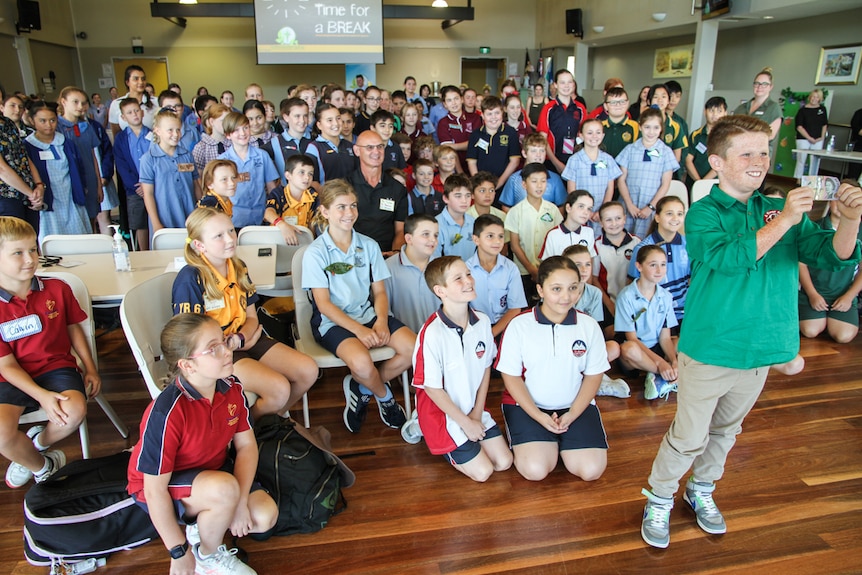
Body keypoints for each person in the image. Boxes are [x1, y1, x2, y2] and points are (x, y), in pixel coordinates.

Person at [639, 115, 862, 549]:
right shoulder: (703, 213)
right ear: (718, 163)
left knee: (726, 432)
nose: (759, 160)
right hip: (710, 347)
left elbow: (832, 256)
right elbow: (731, 258)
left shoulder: (778, 208)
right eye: (747, 153)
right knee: (688, 437)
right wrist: (786, 220)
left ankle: (700, 490)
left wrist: (850, 219)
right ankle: (659, 498)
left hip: (760, 349)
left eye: (764, 151)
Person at [127, 314, 276, 575]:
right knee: (225, 489)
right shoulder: (166, 412)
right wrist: (177, 550)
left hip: (212, 473)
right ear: (188, 366)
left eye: (224, 341)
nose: (226, 351)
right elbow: (153, 492)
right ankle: (207, 555)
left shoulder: (232, 387)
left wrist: (240, 502)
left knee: (264, 517)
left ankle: (206, 520)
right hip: (163, 484)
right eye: (213, 349)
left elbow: (246, 447)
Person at [173, 208, 318, 418]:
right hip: (216, 353)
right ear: (199, 245)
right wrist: (231, 345)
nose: (230, 239)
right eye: (219, 236)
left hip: (244, 340)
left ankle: (266, 425)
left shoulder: (238, 267)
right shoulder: (191, 278)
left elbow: (252, 317)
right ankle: (246, 432)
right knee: (279, 389)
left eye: (231, 231)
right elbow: (189, 341)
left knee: (308, 371)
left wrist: (242, 338)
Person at [301, 180, 415, 433]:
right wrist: (360, 331)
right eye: (341, 207)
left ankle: (361, 388)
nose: (349, 213)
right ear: (325, 212)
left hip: (368, 315)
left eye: (352, 206)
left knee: (413, 349)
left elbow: (380, 292)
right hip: (332, 321)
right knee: (363, 364)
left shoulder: (369, 245)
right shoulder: (316, 253)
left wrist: (381, 321)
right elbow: (323, 304)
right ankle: (385, 398)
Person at [0, 217, 98, 489]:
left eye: (32, 249)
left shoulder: (57, 288)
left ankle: (36, 444)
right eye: (17, 253)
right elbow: (6, 366)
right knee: (1, 435)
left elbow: (74, 329)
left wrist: (90, 368)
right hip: (11, 378)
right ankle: (43, 466)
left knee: (74, 411)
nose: (30, 259)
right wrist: (42, 396)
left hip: (56, 368)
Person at [496, 256, 610, 482]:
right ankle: (546, 445)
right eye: (556, 289)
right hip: (528, 407)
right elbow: (511, 377)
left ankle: (559, 442)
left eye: (573, 288)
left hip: (574, 407)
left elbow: (593, 375)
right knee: (535, 470)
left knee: (591, 471)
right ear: (540, 290)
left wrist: (573, 414)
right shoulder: (520, 325)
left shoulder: (588, 326)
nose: (566, 297)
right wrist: (538, 416)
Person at [411, 256, 513, 480]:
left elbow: (486, 367)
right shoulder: (432, 333)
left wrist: (477, 412)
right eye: (458, 278)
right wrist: (466, 423)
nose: (468, 281)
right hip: (442, 414)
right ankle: (423, 426)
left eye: (468, 274)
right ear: (441, 291)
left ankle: (468, 437)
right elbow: (432, 388)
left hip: (472, 408)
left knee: (504, 462)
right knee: (483, 472)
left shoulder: (483, 322)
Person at [616, 244, 679, 401]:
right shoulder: (626, 296)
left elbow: (665, 337)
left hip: (657, 347)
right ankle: (661, 375)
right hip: (637, 352)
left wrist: (674, 361)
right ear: (639, 266)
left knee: (681, 342)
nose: (659, 270)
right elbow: (632, 339)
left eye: (663, 264)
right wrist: (661, 363)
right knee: (628, 349)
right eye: (653, 265)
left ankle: (665, 373)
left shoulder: (666, 296)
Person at [23, 101, 90, 243]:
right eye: (42, 121)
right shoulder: (28, 146)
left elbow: (79, 168)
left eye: (52, 120)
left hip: (70, 198)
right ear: (31, 121)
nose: (48, 124)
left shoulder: (65, 142)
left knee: (79, 240)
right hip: (48, 202)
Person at [798, 198, 862, 343]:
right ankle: (820, 318)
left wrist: (849, 297)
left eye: (850, 202)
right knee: (810, 331)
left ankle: (831, 320)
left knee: (843, 337)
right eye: (839, 200)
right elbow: (801, 264)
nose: (843, 206)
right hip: (814, 292)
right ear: (830, 202)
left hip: (843, 293)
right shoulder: (814, 227)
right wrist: (812, 294)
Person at [615, 108, 679, 239]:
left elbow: (665, 184)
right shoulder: (630, 149)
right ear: (640, 127)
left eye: (656, 127)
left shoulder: (666, 152)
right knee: (623, 239)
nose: (651, 132)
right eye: (647, 127)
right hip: (628, 205)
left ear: (661, 129)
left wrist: (650, 207)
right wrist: (629, 205)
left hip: (651, 206)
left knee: (646, 242)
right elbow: (621, 180)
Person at [505, 163, 564, 302]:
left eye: (543, 181)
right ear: (524, 184)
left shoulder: (553, 210)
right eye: (534, 181)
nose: (539, 185)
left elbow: (557, 240)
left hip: (549, 270)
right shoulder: (515, 212)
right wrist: (531, 269)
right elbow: (514, 246)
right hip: (523, 271)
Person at [628, 196, 690, 325]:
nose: (675, 218)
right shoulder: (642, 249)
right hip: (656, 315)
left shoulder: (689, 245)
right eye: (669, 214)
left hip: (686, 313)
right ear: (657, 217)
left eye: (680, 214)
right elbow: (632, 285)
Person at [346, 130, 409, 255]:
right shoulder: (344, 186)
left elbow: (400, 230)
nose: (376, 152)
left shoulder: (397, 189)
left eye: (380, 147)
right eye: (369, 147)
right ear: (357, 151)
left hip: (386, 255)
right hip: (353, 255)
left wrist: (395, 253)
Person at [140, 109, 200, 232]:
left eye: (178, 130)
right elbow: (148, 194)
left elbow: (195, 184)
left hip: (189, 216)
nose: (176, 134)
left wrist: (202, 209)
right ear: (157, 131)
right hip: (164, 218)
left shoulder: (187, 155)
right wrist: (156, 223)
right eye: (170, 130)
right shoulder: (149, 159)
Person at [466, 214, 526, 337]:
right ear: (476, 239)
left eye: (501, 236)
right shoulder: (466, 270)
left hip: (505, 328)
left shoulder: (510, 268)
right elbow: (462, 307)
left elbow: (515, 308)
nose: (497, 241)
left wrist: (491, 334)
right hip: (475, 329)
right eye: (490, 236)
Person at [217, 112, 279, 229]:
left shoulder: (262, 155)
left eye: (245, 128)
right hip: (234, 218)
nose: (242, 133)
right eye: (236, 130)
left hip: (261, 216)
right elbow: (219, 194)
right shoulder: (222, 161)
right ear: (228, 135)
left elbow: (271, 187)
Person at [562, 118, 622, 231]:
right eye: (589, 133)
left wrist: (602, 211)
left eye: (598, 132)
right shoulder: (574, 160)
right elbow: (572, 190)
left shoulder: (608, 159)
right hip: (580, 212)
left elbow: (610, 188)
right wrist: (586, 212)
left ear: (603, 135)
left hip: (600, 212)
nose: (594, 136)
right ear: (581, 135)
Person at [384, 213, 440, 334]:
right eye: (426, 234)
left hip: (439, 340)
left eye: (436, 235)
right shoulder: (388, 268)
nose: (433, 240)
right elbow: (385, 312)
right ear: (409, 239)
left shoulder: (442, 267)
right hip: (407, 341)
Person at [113, 98, 153, 250]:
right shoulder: (121, 139)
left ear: (142, 112)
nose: (134, 114)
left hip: (153, 186)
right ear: (124, 117)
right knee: (139, 222)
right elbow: (121, 165)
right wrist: (137, 185)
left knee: (154, 217)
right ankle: (143, 251)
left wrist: (149, 184)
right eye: (129, 112)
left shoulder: (153, 134)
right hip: (135, 189)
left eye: (136, 110)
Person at [536, 69, 589, 175]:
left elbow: (585, 135)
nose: (566, 86)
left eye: (569, 82)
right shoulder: (548, 109)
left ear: (573, 85)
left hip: (575, 161)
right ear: (555, 85)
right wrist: (557, 164)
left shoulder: (580, 108)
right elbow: (542, 138)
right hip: (551, 162)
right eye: (562, 82)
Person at [499, 132, 567, 211]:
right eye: (534, 151)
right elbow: (506, 207)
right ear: (524, 153)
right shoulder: (514, 179)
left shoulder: (555, 179)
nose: (538, 155)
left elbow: (561, 207)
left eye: (542, 151)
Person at [262, 98, 320, 188]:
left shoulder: (316, 140)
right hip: (288, 197)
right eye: (297, 116)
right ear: (286, 117)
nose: (302, 120)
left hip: (315, 195)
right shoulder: (275, 143)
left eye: (305, 116)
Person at [466, 96, 521, 190]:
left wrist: (499, 183)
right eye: (489, 114)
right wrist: (479, 183)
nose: (493, 117)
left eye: (497, 113)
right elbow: (472, 162)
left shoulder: (510, 132)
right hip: (481, 185)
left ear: (502, 113)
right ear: (482, 115)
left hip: (504, 184)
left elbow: (514, 161)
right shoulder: (475, 134)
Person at [263, 153, 317, 244]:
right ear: (288, 175)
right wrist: (282, 225)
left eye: (310, 174)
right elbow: (267, 212)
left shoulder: (313, 195)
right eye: (301, 172)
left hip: (303, 243)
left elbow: (315, 222)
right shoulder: (278, 193)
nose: (307, 177)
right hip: (278, 241)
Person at [733, 67, 782, 159]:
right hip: (738, 153)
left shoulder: (774, 108)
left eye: (764, 84)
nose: (759, 87)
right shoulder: (741, 108)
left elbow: (770, 136)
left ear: (771, 87)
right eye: (757, 83)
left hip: (758, 155)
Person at [596, 201, 640, 302]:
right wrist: (610, 306)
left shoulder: (636, 243)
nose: (614, 223)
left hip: (632, 301)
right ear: (601, 222)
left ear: (624, 218)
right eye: (608, 220)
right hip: (607, 302)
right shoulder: (597, 246)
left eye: (618, 218)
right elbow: (594, 279)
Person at [539, 190, 597, 260]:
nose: (586, 212)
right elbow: (547, 263)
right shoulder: (553, 234)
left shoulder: (589, 232)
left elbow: (592, 258)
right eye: (581, 206)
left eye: (589, 209)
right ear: (568, 208)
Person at [433, 173, 476, 260]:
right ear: (445, 198)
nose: (464, 201)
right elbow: (434, 261)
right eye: (458, 196)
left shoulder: (473, 222)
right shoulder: (436, 225)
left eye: (468, 196)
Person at [309, 104, 355, 184]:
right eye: (329, 120)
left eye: (338, 118)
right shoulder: (314, 148)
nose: (336, 123)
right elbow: (313, 181)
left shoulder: (349, 145)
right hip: (327, 195)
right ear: (319, 125)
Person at [685, 96, 726, 187]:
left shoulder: (727, 137)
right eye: (711, 110)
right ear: (705, 112)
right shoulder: (695, 135)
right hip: (693, 182)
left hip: (716, 184)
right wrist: (698, 182)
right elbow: (688, 160)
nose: (715, 114)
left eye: (719, 111)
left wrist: (703, 182)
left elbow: (722, 162)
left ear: (725, 113)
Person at [108, 65, 157, 136]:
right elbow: (116, 134)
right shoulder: (116, 104)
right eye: (136, 79)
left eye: (143, 79)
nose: (141, 82)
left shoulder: (155, 101)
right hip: (127, 145)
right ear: (127, 82)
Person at [647, 84, 687, 165]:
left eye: (663, 97)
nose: (660, 100)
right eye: (655, 97)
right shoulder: (640, 123)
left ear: (668, 100)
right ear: (648, 101)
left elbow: (677, 157)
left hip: (667, 171)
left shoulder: (676, 126)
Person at [794, 89, 828, 178]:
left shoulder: (822, 109)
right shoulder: (803, 110)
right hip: (804, 138)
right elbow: (799, 127)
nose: (814, 99)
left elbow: (824, 124)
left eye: (817, 97)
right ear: (810, 97)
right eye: (813, 96)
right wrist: (809, 138)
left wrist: (822, 137)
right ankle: (798, 179)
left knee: (815, 161)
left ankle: (812, 180)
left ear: (820, 99)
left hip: (818, 139)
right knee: (801, 159)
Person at [192, 103, 231, 176]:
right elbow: (198, 176)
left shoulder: (233, 143)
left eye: (228, 120)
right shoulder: (202, 147)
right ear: (211, 122)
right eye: (222, 121)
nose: (227, 124)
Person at [601, 87, 640, 160]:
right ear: (605, 106)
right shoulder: (599, 126)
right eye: (613, 102)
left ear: (628, 103)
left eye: (622, 101)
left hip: (626, 169)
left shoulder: (635, 126)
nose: (618, 105)